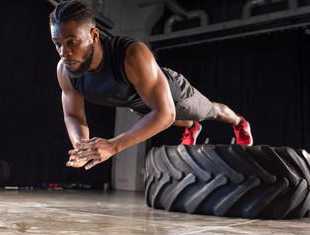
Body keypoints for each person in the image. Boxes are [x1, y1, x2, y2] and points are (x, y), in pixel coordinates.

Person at [49, 0, 253, 170]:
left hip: (176, 96)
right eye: (57, 43)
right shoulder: (65, 70)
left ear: (93, 35)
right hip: (142, 106)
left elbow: (165, 113)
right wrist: (82, 149)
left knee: (210, 111)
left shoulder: (131, 54)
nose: (63, 52)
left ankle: (239, 123)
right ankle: (192, 127)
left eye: (71, 42)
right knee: (169, 119)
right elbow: (73, 115)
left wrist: (113, 145)